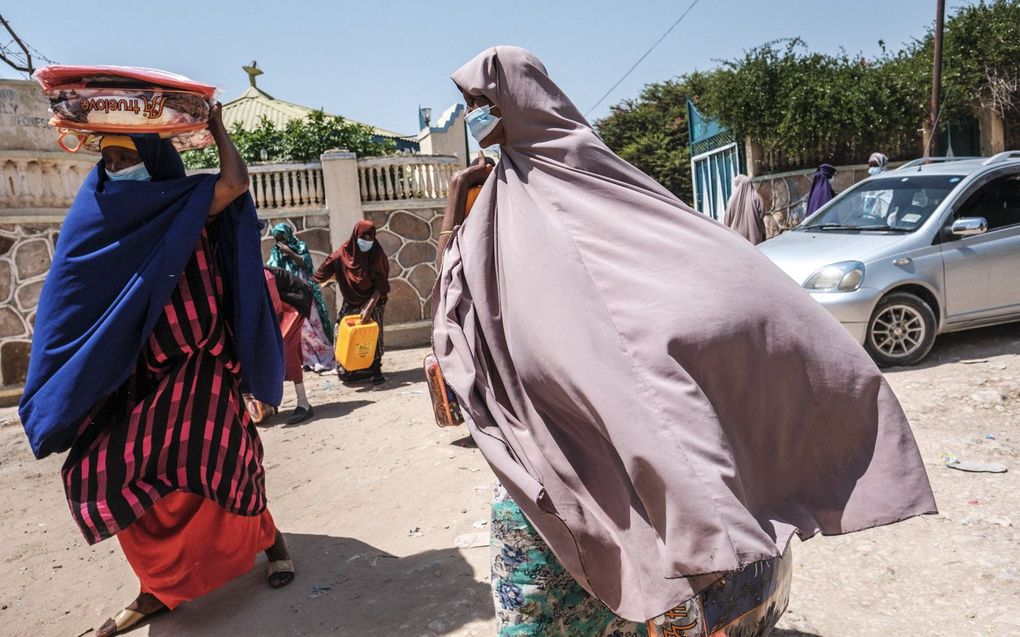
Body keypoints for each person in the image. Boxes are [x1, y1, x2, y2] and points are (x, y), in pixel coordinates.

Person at [433, 46, 936, 634]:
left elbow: (720, 285)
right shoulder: (494, 208)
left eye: (483, 103)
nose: (476, 117)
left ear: (523, 101)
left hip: (633, 471)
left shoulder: (608, 190)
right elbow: (456, 313)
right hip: (545, 468)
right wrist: (454, 206)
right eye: (469, 106)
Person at [19, 105, 295, 637]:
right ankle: (155, 588)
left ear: (152, 157)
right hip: (140, 377)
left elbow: (235, 182)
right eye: (110, 157)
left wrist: (217, 130)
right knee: (110, 476)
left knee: (232, 464)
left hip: (204, 367)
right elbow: (72, 297)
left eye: (128, 156)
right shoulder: (98, 211)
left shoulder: (187, 200)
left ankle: (271, 542)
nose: (118, 166)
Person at [314, 220, 390, 385]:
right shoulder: (342, 254)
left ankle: (376, 369)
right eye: (364, 237)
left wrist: (369, 309)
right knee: (342, 331)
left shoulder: (377, 255)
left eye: (371, 237)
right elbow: (322, 271)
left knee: (372, 333)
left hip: (374, 298)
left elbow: (381, 286)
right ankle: (352, 367)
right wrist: (314, 283)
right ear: (356, 236)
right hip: (351, 299)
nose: (367, 241)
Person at [267, 223, 336, 372]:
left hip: (303, 291)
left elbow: (306, 263)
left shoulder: (299, 246)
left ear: (288, 235)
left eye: (283, 238)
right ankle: (308, 360)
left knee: (313, 324)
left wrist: (289, 252)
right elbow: (272, 269)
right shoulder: (276, 252)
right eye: (277, 239)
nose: (281, 242)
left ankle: (324, 354)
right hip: (288, 294)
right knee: (301, 328)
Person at [265, 266, 315, 424]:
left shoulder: (264, 275)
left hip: (294, 304)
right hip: (282, 306)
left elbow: (275, 309)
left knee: (284, 346)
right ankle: (268, 403)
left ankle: (304, 403)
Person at [724, 174, 766, 244]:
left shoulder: (732, 200)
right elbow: (762, 214)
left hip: (737, 236)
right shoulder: (756, 197)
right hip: (755, 235)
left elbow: (727, 218)